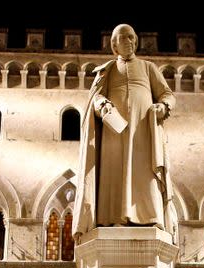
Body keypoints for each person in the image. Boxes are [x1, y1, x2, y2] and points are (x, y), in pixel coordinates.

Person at [72, 23, 176, 240]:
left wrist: (163, 106)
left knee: (145, 172)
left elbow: (167, 93)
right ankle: (113, 218)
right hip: (114, 132)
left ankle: (151, 217)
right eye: (123, 38)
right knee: (114, 173)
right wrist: (102, 105)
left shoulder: (148, 67)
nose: (128, 41)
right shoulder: (107, 70)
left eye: (131, 37)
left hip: (143, 132)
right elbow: (95, 97)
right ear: (114, 45)